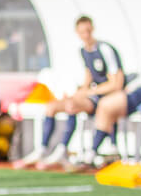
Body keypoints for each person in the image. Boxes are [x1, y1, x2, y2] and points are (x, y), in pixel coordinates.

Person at [16, 15, 124, 169]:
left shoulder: (105, 49)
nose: (85, 35)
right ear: (77, 33)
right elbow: (89, 76)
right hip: (92, 94)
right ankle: (43, 149)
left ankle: (63, 150)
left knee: (72, 105)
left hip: (106, 97)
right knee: (51, 106)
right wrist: (79, 92)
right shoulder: (83, 51)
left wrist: (87, 92)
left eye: (88, 31)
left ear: (92, 29)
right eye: (82, 32)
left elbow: (116, 83)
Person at [81, 14, 141, 167]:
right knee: (106, 105)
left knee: (107, 105)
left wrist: (135, 85)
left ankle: (98, 151)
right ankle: (106, 149)